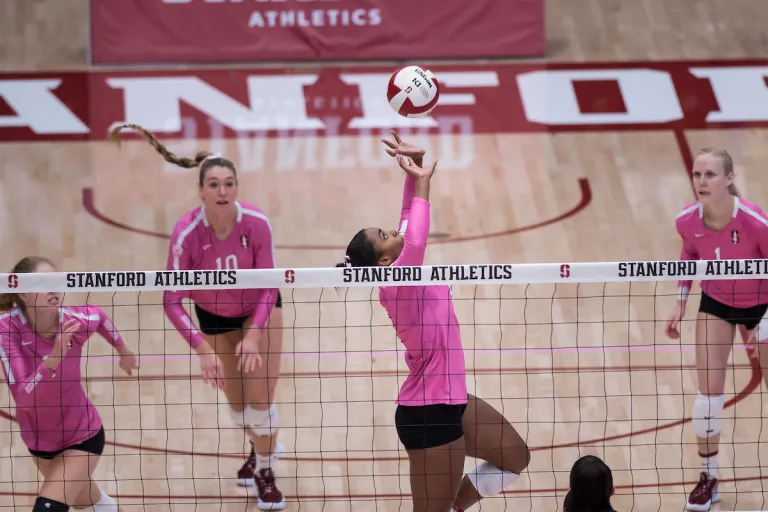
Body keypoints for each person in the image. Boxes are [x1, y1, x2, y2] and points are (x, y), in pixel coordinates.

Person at [336, 132, 531, 512]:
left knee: (515, 457)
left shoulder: (401, 273)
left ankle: (456, 507)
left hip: (450, 399)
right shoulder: (397, 284)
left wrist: (413, 169)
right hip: (427, 413)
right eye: (384, 235)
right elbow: (418, 236)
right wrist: (424, 181)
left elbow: (409, 222)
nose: (393, 231)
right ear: (382, 262)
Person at [109, 124, 285, 510]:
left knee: (261, 405)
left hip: (260, 311)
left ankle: (265, 470)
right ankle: (261, 450)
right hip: (214, 318)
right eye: (214, 185)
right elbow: (171, 300)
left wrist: (254, 333)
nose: (222, 191)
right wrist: (202, 349)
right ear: (200, 191)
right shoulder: (186, 235)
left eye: (229, 183)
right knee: (239, 412)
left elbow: (270, 285)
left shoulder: (256, 223)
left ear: (237, 187)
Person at [666, 147, 768, 511]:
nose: (701, 182)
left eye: (710, 175)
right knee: (707, 398)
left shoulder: (756, 223)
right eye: (697, 175)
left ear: (729, 178)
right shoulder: (686, 220)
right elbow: (690, 254)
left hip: (763, 305)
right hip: (718, 304)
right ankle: (708, 479)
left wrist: (765, 323)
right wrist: (680, 300)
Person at [0, 256, 138, 512]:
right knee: (92, 504)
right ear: (23, 294)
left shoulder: (74, 321)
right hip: (40, 441)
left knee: (48, 507)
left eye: (56, 281)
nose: (54, 289)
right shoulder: (6, 329)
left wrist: (124, 351)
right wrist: (52, 361)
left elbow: (99, 317)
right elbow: (23, 398)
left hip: (82, 434)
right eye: (44, 283)